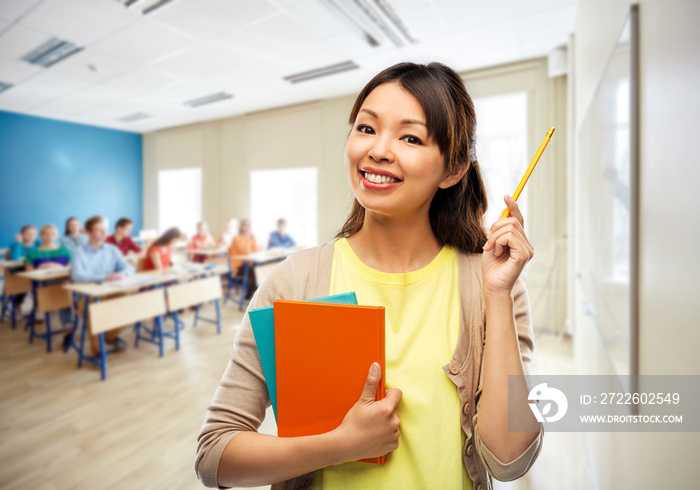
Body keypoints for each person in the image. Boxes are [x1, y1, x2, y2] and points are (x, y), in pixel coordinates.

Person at [196, 63, 544, 490]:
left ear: (452, 170)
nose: (378, 150)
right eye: (366, 128)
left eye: (410, 137)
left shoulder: (491, 286)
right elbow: (214, 456)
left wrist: (497, 294)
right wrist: (340, 444)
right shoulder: (295, 282)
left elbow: (509, 460)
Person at [71, 215, 134, 354]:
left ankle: (109, 336)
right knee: (95, 310)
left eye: (104, 230)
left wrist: (124, 274)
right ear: (88, 233)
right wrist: (105, 277)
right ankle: (97, 350)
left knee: (130, 303)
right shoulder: (79, 252)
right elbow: (77, 276)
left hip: (109, 291)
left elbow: (128, 267)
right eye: (99, 230)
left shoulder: (112, 249)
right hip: (86, 296)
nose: (104, 233)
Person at [25, 224, 73, 336]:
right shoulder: (33, 253)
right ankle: (66, 324)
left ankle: (67, 326)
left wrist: (58, 267)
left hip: (63, 284)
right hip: (43, 285)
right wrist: (40, 268)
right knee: (61, 291)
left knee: (63, 290)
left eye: (52, 234)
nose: (49, 236)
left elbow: (71, 269)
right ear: (41, 236)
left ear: (56, 235)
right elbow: (28, 274)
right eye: (46, 234)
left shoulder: (65, 250)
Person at [227, 218, 258, 300]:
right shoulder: (236, 238)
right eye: (245, 225)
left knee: (260, 268)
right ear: (241, 226)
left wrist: (253, 238)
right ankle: (250, 295)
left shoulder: (250, 237)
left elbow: (255, 250)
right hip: (238, 267)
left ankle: (255, 293)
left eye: (249, 225)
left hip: (248, 264)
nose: (247, 227)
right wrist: (248, 238)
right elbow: (246, 251)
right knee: (254, 271)